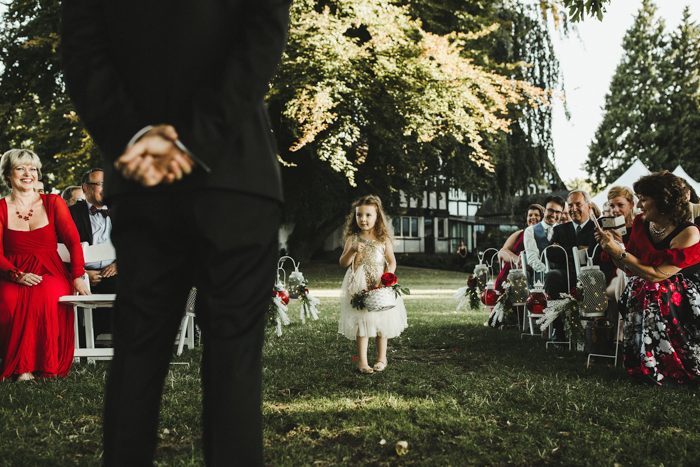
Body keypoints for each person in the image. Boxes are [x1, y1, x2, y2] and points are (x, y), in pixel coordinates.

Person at [61, 1, 291, 464]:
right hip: (235, 176)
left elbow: (83, 53)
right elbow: (261, 34)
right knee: (234, 358)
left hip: (142, 180)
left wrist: (133, 139)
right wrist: (196, 139)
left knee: (138, 352)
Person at [597, 171, 700, 385]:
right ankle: (644, 362)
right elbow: (631, 268)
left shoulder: (689, 233)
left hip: (687, 290)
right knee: (638, 285)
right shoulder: (641, 223)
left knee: (654, 288)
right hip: (648, 283)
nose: (639, 205)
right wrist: (611, 247)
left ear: (663, 200)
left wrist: (619, 252)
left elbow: (657, 274)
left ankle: (670, 366)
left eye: (644, 199)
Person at [0, 149, 89, 382]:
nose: (28, 173)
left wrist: (77, 275)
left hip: (50, 269)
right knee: (9, 303)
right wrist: (16, 274)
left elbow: (73, 241)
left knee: (45, 293)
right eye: (20, 168)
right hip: (11, 271)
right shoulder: (0, 208)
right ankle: (21, 366)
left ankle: (38, 368)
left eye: (32, 168)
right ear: (8, 174)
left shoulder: (53, 202)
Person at [338, 195, 408, 374]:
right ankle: (362, 362)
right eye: (359, 215)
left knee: (381, 321)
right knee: (362, 321)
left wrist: (386, 278)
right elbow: (343, 263)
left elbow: (392, 262)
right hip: (359, 283)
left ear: (377, 217)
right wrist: (352, 251)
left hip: (379, 282)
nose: (363, 219)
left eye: (368, 215)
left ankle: (381, 358)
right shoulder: (352, 239)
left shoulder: (383, 239)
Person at [546, 190, 610, 341]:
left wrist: (564, 251)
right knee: (552, 276)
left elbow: (598, 251)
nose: (573, 208)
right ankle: (559, 332)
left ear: (588, 206)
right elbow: (551, 254)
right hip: (567, 274)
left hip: (593, 274)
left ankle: (596, 335)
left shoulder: (598, 226)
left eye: (578, 204)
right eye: (570, 205)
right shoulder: (560, 229)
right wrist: (577, 251)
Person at [69, 168, 117, 341]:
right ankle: (83, 340)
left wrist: (118, 264)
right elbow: (61, 248)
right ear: (85, 188)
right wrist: (82, 272)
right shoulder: (71, 214)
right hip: (83, 274)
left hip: (115, 272)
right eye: (100, 184)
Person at [493, 204, 543, 291]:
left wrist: (526, 264)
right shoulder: (520, 233)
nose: (533, 217)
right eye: (530, 215)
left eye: (536, 215)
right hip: (508, 273)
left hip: (527, 278)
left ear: (542, 218)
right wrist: (517, 260)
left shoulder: (544, 235)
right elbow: (502, 252)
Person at [523, 195, 565, 283]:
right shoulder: (530, 231)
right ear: (544, 210)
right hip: (540, 279)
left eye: (557, 212)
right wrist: (547, 272)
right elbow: (532, 259)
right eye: (550, 210)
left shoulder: (563, 230)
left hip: (562, 277)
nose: (553, 215)